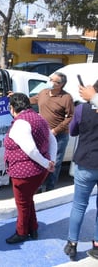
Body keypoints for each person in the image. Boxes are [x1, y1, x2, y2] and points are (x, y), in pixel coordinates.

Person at [4, 93, 57, 244]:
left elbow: (31, 150)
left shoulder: (20, 123)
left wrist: (48, 163)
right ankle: (33, 228)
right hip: (39, 171)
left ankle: (21, 232)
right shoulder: (39, 117)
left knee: (22, 203)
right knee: (28, 199)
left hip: (24, 173)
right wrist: (50, 161)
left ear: (12, 108)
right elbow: (52, 140)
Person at [64, 79, 98, 261]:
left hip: (85, 163)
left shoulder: (81, 110)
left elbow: (73, 131)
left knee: (79, 205)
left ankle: (72, 243)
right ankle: (97, 244)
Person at [29, 72, 74, 192]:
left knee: (55, 163)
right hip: (42, 133)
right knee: (39, 159)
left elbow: (70, 116)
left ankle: (50, 188)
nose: (50, 81)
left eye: (53, 80)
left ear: (60, 84)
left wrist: (56, 130)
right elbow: (31, 100)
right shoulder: (43, 92)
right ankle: (38, 187)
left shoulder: (66, 98)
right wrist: (15, 97)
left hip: (59, 135)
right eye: (50, 79)